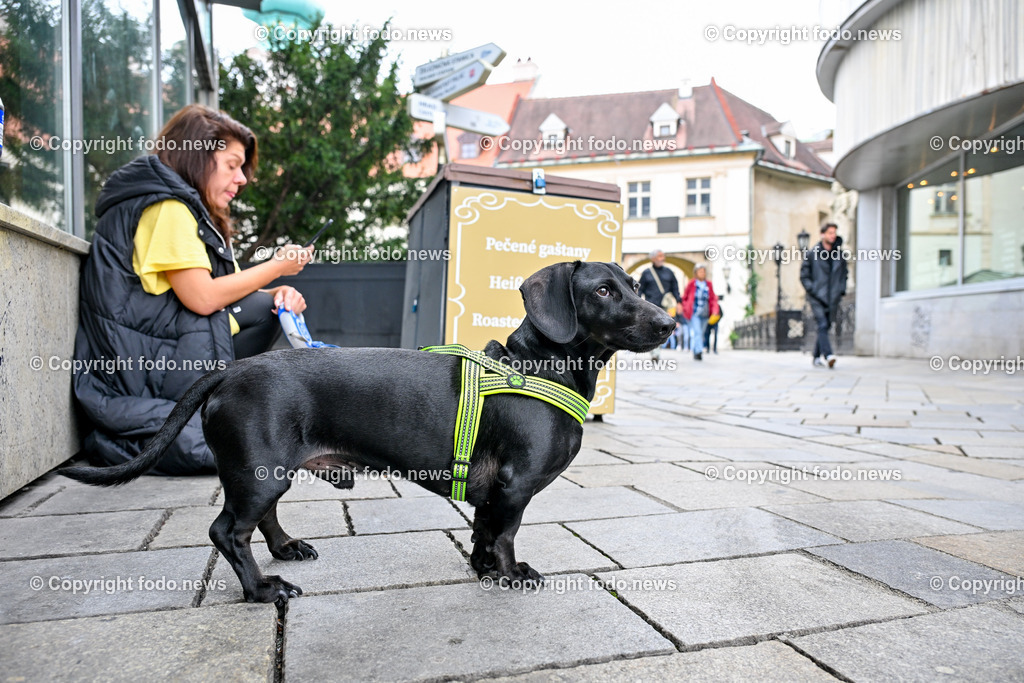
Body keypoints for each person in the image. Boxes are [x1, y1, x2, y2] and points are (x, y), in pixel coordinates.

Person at [73, 104, 312, 475]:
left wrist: (277, 292)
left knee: (267, 309)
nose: (242, 178)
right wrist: (277, 266)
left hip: (162, 359)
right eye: (232, 165)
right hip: (144, 374)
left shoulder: (176, 205)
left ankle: (223, 410)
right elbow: (202, 298)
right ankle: (218, 413)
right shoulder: (167, 207)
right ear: (198, 155)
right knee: (234, 449)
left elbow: (217, 297)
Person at [800, 222, 848, 368]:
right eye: (830, 233)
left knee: (825, 327)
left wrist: (841, 290)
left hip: (833, 297)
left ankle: (815, 356)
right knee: (822, 323)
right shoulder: (812, 254)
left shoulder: (839, 254)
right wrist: (813, 290)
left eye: (834, 233)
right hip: (817, 297)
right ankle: (828, 355)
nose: (833, 236)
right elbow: (804, 276)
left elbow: (844, 274)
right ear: (823, 234)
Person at [638, 249, 681, 359]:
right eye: (659, 256)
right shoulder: (647, 273)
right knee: (653, 329)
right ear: (653, 258)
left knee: (664, 329)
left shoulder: (669, 272)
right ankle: (655, 352)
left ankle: (656, 351)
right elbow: (640, 289)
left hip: (666, 306)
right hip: (652, 306)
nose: (662, 258)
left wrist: (679, 302)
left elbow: (675, 288)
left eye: (663, 256)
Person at [681, 263, 720, 361]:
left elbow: (712, 299)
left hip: (705, 313)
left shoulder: (709, 284)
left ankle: (695, 350)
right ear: (696, 273)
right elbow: (685, 297)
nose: (702, 273)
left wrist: (715, 310)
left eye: (703, 271)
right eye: (700, 271)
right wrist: (685, 307)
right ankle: (699, 351)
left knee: (701, 333)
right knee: (697, 332)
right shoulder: (692, 283)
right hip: (695, 312)